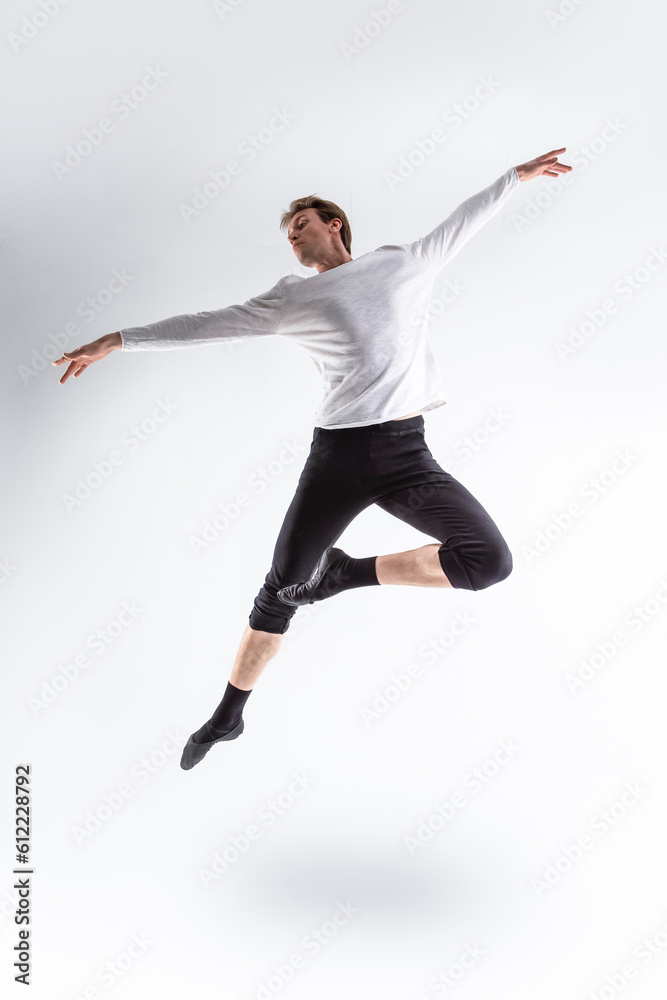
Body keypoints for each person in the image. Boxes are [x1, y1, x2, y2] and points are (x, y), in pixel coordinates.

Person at [53, 147, 572, 770]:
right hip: (340, 458)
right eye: (287, 233)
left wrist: (515, 176)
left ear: (335, 224)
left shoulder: (402, 264)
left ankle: (346, 574)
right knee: (281, 588)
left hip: (409, 454)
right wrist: (119, 340)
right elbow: (204, 323)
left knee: (489, 563)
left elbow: (464, 219)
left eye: (301, 223)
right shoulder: (289, 299)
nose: (294, 236)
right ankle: (227, 716)